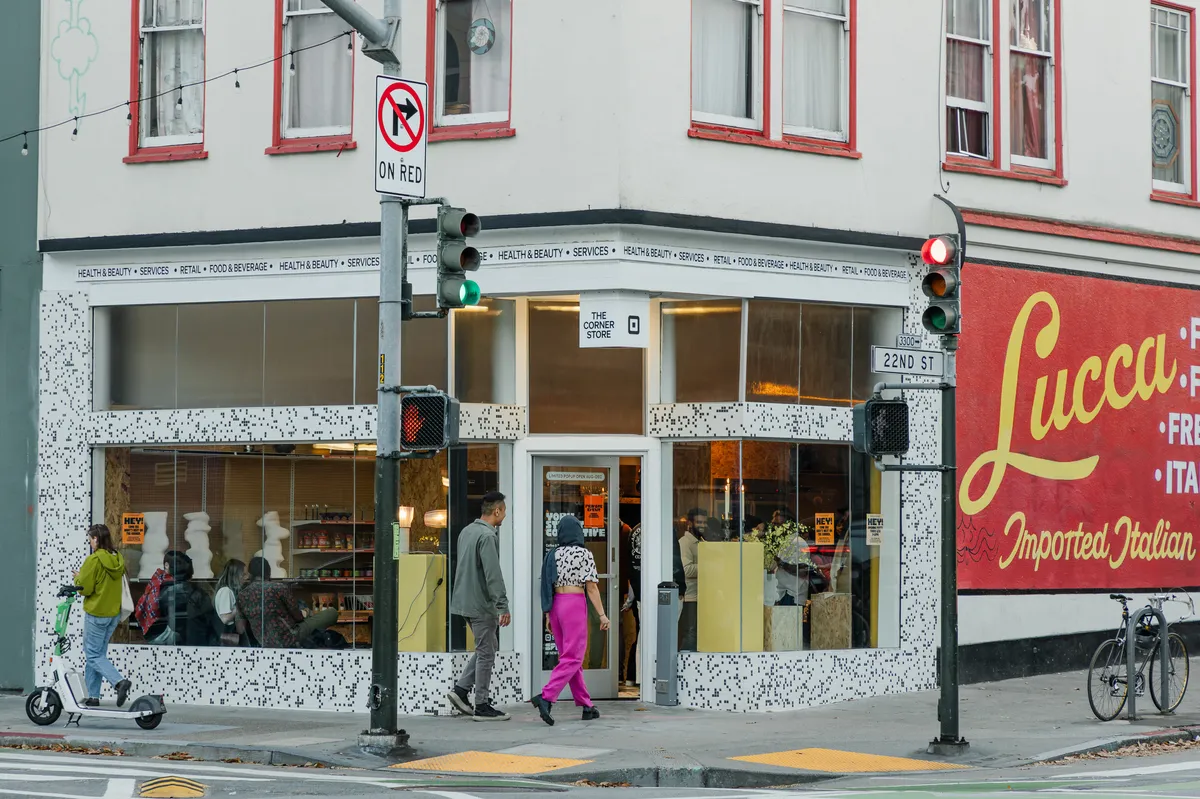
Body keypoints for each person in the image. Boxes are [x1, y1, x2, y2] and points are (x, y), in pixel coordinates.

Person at [532, 515, 609, 725]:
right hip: (574, 604)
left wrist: (548, 614)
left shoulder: (552, 554)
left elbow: (546, 585)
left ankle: (586, 705)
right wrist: (602, 614)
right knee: (573, 658)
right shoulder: (584, 554)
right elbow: (591, 587)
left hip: (556, 605)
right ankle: (546, 697)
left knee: (569, 657)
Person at [446, 491, 511, 721]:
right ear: (497, 511)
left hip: (463, 601)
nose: (504, 517)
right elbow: (492, 574)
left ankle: (461, 690)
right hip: (481, 603)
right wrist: (502, 606)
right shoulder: (487, 536)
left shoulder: (467, 531)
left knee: (487, 647)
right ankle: (482, 704)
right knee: (486, 653)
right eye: (504, 512)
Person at [73, 524, 132, 707]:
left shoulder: (94, 560)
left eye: (90, 538)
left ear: (96, 539)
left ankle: (119, 682)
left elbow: (86, 588)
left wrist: (77, 577)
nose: (89, 542)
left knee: (92, 655)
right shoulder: (118, 558)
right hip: (113, 614)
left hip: (97, 613)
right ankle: (93, 696)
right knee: (98, 654)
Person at [236, 557, 337, 648]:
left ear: (250, 574)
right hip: (290, 638)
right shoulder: (279, 588)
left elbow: (240, 629)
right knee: (332, 613)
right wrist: (305, 612)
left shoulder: (242, 595)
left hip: (263, 642)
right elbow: (298, 617)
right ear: (268, 572)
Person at [156, 551, 224, 646]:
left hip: (173, 647)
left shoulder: (164, 594)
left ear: (167, 567)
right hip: (199, 644)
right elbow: (213, 623)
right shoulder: (199, 594)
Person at [677, 508, 706, 651]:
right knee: (690, 634)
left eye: (704, 522)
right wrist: (709, 566)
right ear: (690, 523)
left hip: (700, 595)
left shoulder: (701, 541)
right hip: (690, 597)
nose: (702, 525)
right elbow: (686, 569)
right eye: (699, 522)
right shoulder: (685, 543)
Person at [215, 558, 248, 645]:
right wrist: (239, 608)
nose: (245, 578)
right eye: (243, 575)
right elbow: (225, 619)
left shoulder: (227, 590)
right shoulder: (226, 591)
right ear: (235, 575)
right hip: (229, 636)